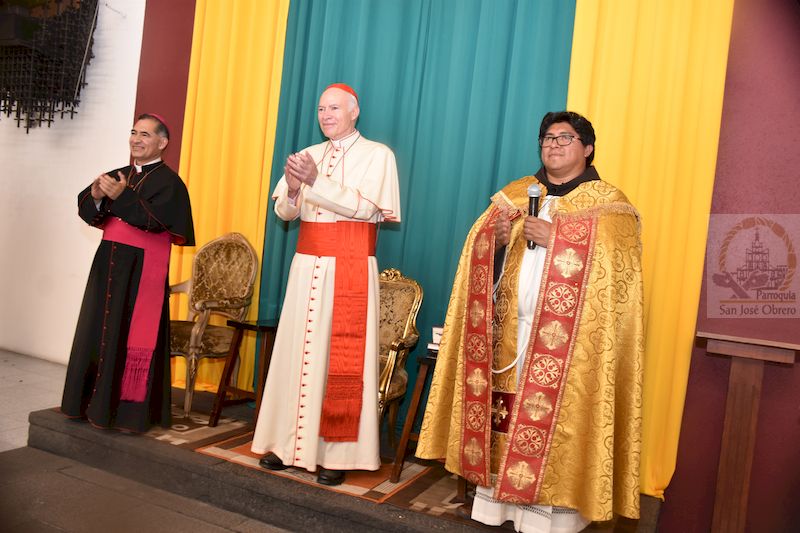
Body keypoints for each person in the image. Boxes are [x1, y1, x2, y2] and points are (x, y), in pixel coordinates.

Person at [416, 111, 643, 532]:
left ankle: (551, 520)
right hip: (509, 336)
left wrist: (557, 239)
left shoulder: (609, 204)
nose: (553, 145)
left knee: (557, 429)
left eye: (564, 137)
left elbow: (617, 274)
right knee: (503, 422)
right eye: (547, 138)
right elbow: (476, 261)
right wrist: (496, 243)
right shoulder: (515, 195)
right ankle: (497, 508)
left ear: (588, 148)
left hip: (570, 346)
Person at [251, 83, 401, 486]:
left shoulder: (378, 155)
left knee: (340, 357)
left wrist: (316, 181)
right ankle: (286, 445)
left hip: (349, 265)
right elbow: (284, 213)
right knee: (296, 353)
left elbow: (366, 209)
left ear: (354, 112)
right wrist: (294, 188)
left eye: (334, 108)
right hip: (306, 265)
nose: (326, 115)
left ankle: (337, 453)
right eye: (321, 109)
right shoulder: (308, 155)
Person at [61, 113, 195, 433]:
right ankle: (87, 404)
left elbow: (153, 222)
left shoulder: (171, 183)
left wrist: (121, 197)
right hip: (107, 264)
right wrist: (96, 196)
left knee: (129, 332)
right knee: (97, 328)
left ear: (162, 142)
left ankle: (128, 414)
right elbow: (87, 209)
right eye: (134, 133)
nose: (136, 139)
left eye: (145, 135)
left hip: (140, 268)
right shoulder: (118, 174)